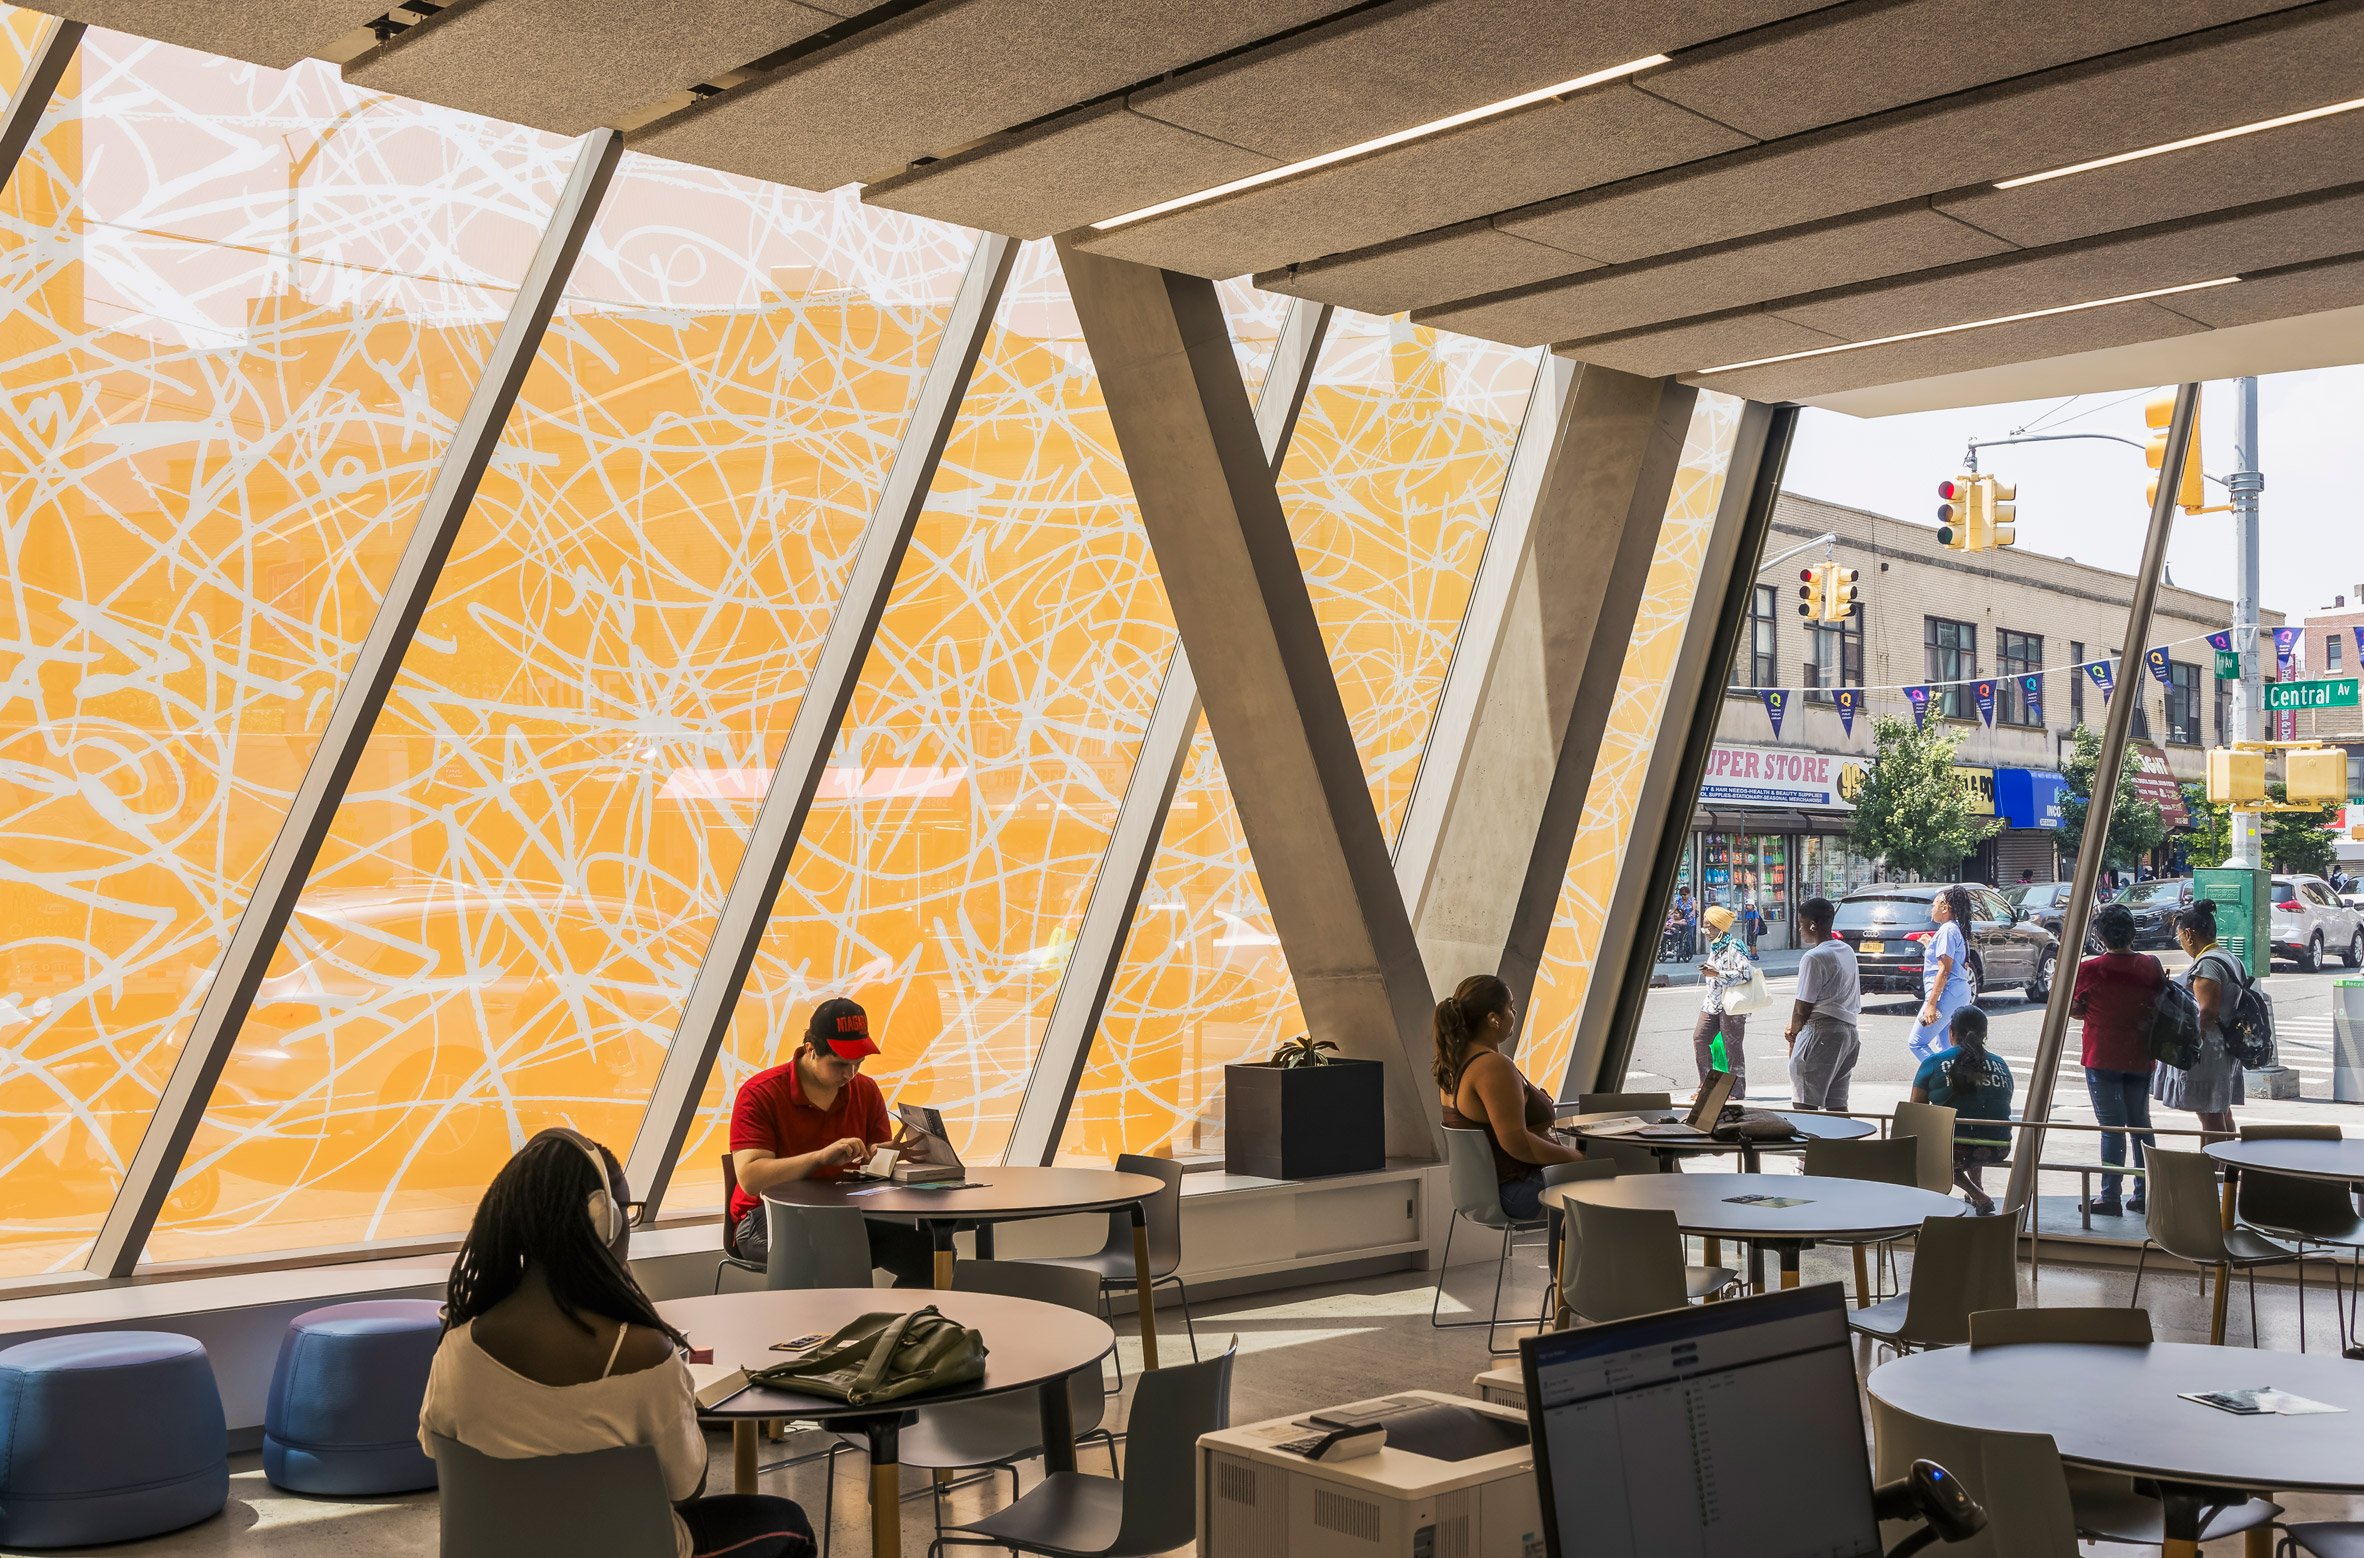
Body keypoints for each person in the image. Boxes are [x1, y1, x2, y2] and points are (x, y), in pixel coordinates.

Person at [420, 1131, 816, 1558]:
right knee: (789, 1523)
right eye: (626, 1210)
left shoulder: (456, 1351)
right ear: (602, 1221)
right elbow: (687, 1487)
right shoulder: (644, 1357)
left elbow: (434, 1446)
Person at [727, 997, 932, 1285]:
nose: (850, 1074)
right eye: (840, 1064)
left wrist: (880, 1157)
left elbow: (875, 1166)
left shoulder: (865, 1090)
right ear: (811, 1050)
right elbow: (750, 1178)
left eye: (858, 1063)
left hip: (845, 1214)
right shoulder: (760, 1094)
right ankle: (831, 1327)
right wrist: (819, 1158)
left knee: (933, 1252)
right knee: (830, 1249)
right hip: (768, 1215)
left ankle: (900, 1327)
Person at [1434, 974, 1579, 1221]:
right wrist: (1578, 1159)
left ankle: (1572, 1259)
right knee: (1614, 1180)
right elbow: (1517, 1143)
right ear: (1493, 1018)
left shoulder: (1455, 1063)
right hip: (1516, 1190)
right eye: (1510, 1007)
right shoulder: (1492, 1066)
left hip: (1484, 1191)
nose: (1514, 1013)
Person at [2069, 903, 2163, 1217]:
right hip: (2140, 1054)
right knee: (2141, 1125)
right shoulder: (2150, 965)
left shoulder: (2090, 968)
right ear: (2132, 932)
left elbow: (2074, 1008)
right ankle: (2145, 1192)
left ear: (2101, 935)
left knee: (2111, 1128)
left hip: (2102, 1054)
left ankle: (2110, 1195)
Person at [2156, 899, 2245, 1144]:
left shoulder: (2207, 965)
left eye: (2180, 938)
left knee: (2209, 1114)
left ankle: (2213, 1176)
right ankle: (2226, 1172)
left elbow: (2206, 1013)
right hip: (2224, 1046)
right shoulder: (2228, 957)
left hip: (2208, 1050)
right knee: (2220, 1110)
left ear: (2189, 935)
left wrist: (2190, 1046)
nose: (2181, 943)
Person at [1911, 1006, 2013, 1214]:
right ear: (1984, 1034)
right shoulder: (2000, 1064)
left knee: (1939, 1143)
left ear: (1951, 1031)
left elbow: (1916, 1112)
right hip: (1999, 1147)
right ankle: (1978, 1186)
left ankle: (1979, 1195)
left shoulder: (1933, 1062)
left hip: (1956, 1150)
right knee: (1972, 1127)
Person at [1784, 897, 1860, 1110]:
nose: (1800, 929)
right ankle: (1842, 1142)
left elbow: (1803, 1006)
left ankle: (1810, 1144)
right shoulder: (1846, 950)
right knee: (1837, 1104)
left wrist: (1794, 1036)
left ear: (1812, 925)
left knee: (1805, 1104)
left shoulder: (1814, 957)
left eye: (1801, 924)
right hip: (1848, 1033)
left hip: (1820, 1032)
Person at [1908, 885, 1976, 1065]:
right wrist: (1930, 944)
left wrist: (1931, 1005)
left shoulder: (1947, 930)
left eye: (1934, 904)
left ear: (1945, 907)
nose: (1932, 908)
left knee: (1917, 1042)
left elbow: (1944, 970)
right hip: (1956, 995)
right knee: (1946, 1046)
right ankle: (1957, 1082)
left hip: (1945, 997)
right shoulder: (1955, 929)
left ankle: (1945, 1077)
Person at [1693, 904, 1755, 1094]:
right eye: (1704, 926)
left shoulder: (1735, 946)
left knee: (1732, 1047)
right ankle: (1706, 1087)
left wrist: (1717, 973)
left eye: (1708, 926)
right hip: (1712, 1004)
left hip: (1731, 1006)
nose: (1705, 931)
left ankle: (1736, 1091)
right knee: (1700, 1039)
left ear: (1719, 927)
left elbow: (1746, 974)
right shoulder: (1715, 946)